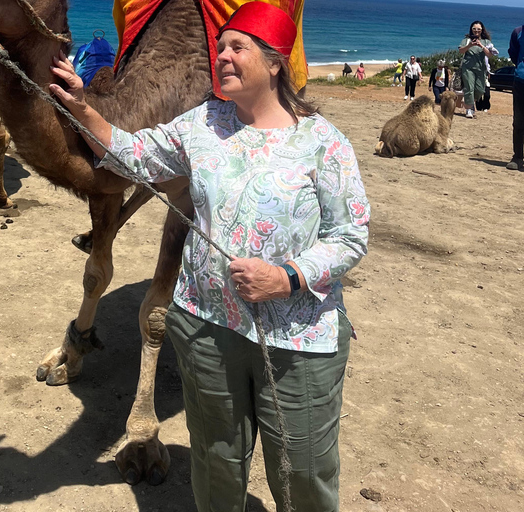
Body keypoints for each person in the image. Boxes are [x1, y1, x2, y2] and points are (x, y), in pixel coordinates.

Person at [49, 3, 370, 511]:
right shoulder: (202, 124)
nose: (220, 55)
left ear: (274, 63)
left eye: (236, 47)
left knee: (302, 475)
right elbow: (133, 154)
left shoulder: (322, 143)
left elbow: (350, 235)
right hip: (207, 330)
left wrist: (288, 277)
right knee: (216, 464)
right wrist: (83, 108)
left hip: (297, 340)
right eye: (220, 46)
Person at [459, 21, 497, 118]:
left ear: (482, 30)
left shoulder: (486, 42)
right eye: (474, 29)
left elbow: (490, 54)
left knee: (480, 90)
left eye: (478, 29)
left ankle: (469, 102)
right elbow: (460, 51)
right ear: (471, 29)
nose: (476, 31)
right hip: (468, 68)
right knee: (469, 88)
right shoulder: (467, 40)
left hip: (481, 69)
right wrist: (470, 45)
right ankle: (469, 109)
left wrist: (481, 46)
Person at [507, 24, 524, 171]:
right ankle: (518, 156)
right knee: (518, 121)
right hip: (520, 81)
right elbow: (513, 53)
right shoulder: (517, 32)